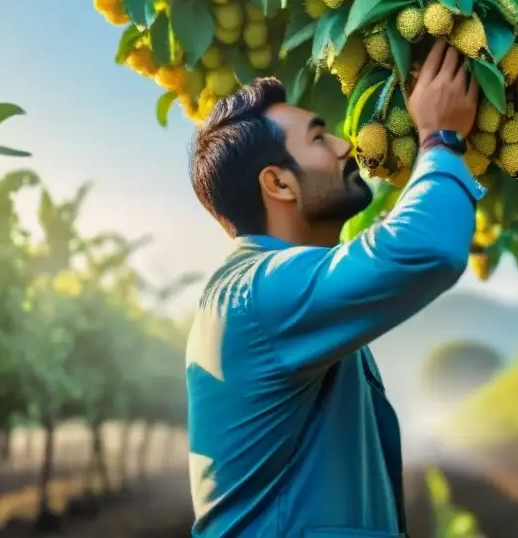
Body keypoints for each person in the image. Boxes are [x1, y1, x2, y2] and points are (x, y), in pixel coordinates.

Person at [186, 40, 483, 537]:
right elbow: (426, 248)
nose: (346, 146)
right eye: (320, 138)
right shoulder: (260, 293)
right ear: (279, 184)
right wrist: (440, 137)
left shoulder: (275, 294)